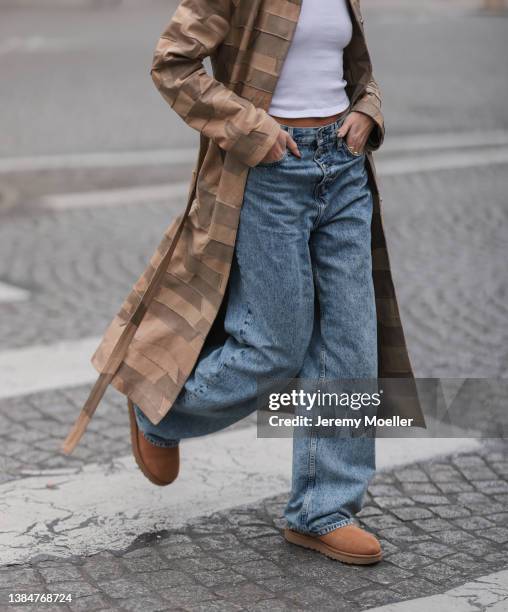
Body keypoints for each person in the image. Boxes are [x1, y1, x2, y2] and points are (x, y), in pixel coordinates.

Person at [64, 0, 419, 566]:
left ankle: (322, 511)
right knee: (276, 343)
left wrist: (369, 108)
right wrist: (252, 127)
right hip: (271, 173)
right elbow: (173, 64)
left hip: (344, 168)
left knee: (351, 344)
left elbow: (351, 69)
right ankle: (161, 411)